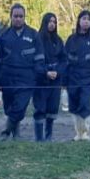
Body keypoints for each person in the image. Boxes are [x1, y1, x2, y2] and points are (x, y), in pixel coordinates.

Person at [0, 4, 43, 140]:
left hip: (26, 79)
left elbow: (39, 58)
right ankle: (16, 135)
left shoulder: (34, 35)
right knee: (9, 109)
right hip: (7, 78)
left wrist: (38, 75)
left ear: (24, 17)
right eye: (15, 16)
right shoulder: (4, 36)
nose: (18, 19)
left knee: (20, 108)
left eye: (20, 16)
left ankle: (5, 132)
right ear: (11, 17)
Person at [64, 10, 90, 140]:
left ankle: (85, 133)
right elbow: (65, 62)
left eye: (88, 19)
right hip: (73, 78)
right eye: (83, 18)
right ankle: (78, 133)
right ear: (79, 21)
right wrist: (64, 81)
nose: (86, 21)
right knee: (74, 105)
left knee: (85, 104)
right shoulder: (71, 39)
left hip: (88, 78)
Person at [33, 12, 66, 142]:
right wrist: (45, 72)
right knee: (40, 108)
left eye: (54, 22)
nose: (52, 24)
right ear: (45, 22)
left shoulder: (58, 41)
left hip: (55, 80)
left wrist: (58, 72)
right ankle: (39, 138)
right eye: (49, 21)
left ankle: (49, 136)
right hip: (41, 80)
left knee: (52, 108)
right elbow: (35, 61)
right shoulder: (37, 39)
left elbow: (64, 60)